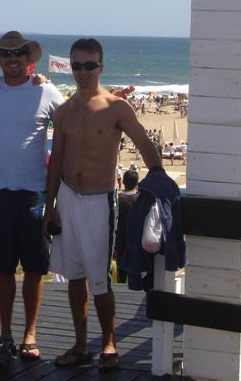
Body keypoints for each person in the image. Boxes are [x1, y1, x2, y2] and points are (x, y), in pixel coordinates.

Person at [42, 38, 162, 371]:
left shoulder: (115, 107)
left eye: (89, 65)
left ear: (100, 67)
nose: (82, 72)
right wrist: (49, 206)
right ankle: (80, 344)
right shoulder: (64, 111)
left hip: (100, 201)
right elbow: (56, 161)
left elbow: (143, 142)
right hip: (68, 197)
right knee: (74, 275)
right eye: (76, 65)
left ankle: (109, 343)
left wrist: (160, 178)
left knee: (99, 277)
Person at [0, 31, 64, 363]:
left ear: (28, 59)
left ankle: (30, 333)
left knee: (35, 267)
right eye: (6, 54)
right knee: (3, 268)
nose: (12, 59)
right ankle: (7, 332)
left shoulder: (46, 91)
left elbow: (73, 122)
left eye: (18, 53)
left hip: (35, 194)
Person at [114, 169, 139, 284]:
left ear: (123, 182)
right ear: (137, 183)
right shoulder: (140, 198)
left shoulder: (118, 199)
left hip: (121, 240)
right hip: (136, 240)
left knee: (121, 274)